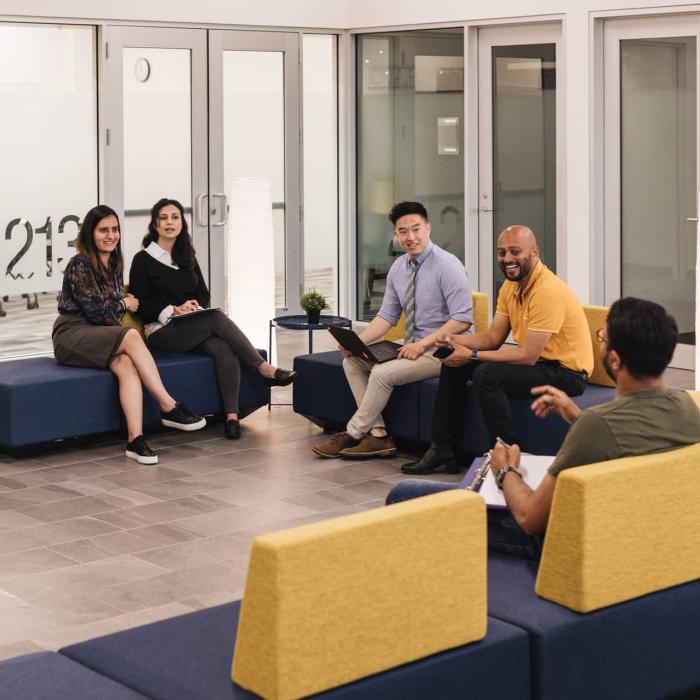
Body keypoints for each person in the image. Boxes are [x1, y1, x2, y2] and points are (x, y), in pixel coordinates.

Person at [387, 297, 700, 560]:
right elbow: (630, 439)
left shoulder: (597, 426)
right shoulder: (687, 407)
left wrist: (505, 470)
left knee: (405, 495)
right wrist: (576, 415)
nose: (600, 342)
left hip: (563, 541)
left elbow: (529, 518)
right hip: (633, 533)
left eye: (603, 338)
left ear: (615, 360)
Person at [403, 224, 593, 475]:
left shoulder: (547, 291)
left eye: (515, 251)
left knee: (487, 374)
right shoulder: (510, 286)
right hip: (540, 364)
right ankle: (443, 450)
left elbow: (527, 356)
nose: (507, 259)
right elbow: (493, 337)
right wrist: (456, 341)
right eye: (501, 253)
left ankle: (509, 456)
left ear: (534, 252)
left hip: (566, 373)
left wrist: (471, 355)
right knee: (454, 364)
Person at [312, 201, 473, 459]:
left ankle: (352, 433)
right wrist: (358, 342)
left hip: (442, 348)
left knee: (381, 373)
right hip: (410, 341)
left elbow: (463, 319)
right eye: (403, 231)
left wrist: (423, 344)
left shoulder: (448, 265)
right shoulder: (399, 268)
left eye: (416, 229)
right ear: (396, 235)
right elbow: (387, 315)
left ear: (428, 228)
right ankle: (378, 436)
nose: (411, 237)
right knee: (352, 362)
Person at [128, 197, 295, 440]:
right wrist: (174, 309)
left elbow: (203, 295)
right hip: (162, 331)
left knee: (222, 346)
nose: (169, 223)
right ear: (154, 225)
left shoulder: (186, 256)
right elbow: (141, 306)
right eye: (163, 218)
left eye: (174, 217)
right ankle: (262, 368)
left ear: (182, 223)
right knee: (216, 317)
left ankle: (231, 417)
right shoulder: (143, 260)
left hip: (191, 326)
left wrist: (194, 306)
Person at [53, 205, 206, 465]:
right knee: (132, 338)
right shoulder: (79, 264)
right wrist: (125, 304)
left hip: (99, 333)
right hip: (72, 333)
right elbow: (96, 312)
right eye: (103, 230)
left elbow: (107, 316)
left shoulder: (113, 263)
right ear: (90, 234)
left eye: (114, 230)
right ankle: (168, 406)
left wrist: (120, 306)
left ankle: (135, 441)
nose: (110, 235)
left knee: (126, 366)